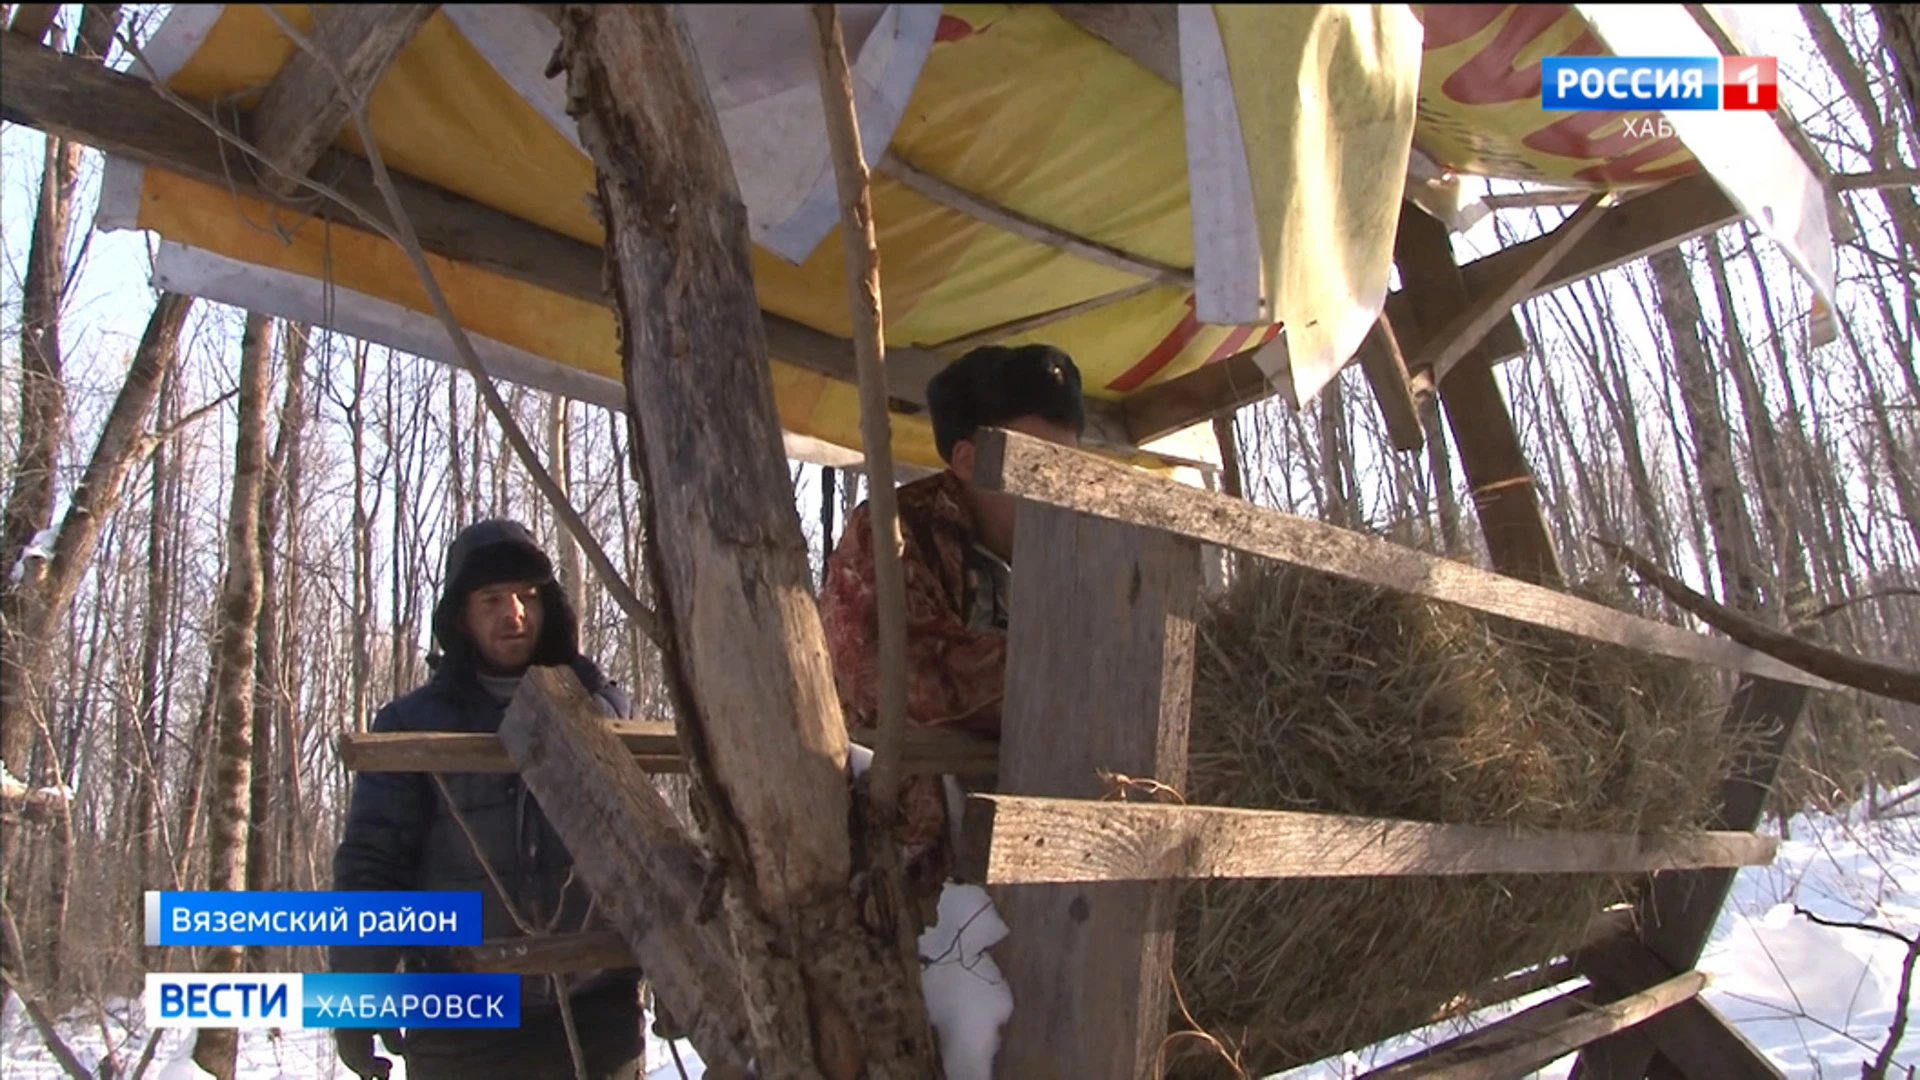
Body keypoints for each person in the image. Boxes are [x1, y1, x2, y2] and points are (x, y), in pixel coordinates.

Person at [331, 520, 646, 1080]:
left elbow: (642, 859)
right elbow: (373, 868)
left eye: (527, 596)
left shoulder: (601, 711)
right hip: (462, 1016)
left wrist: (676, 974)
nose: (514, 614)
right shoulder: (413, 726)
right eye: (492, 599)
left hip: (595, 1008)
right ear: (461, 615)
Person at [819, 343, 1085, 910]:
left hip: (1034, 877)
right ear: (969, 462)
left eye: (1072, 469)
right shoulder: (891, 533)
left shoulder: (1069, 553)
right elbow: (911, 677)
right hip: (901, 884)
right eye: (1042, 468)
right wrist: (1091, 678)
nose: (1060, 493)